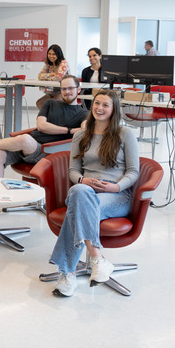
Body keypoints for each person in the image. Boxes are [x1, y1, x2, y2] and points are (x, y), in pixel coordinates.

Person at [0, 75, 88, 218]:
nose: (67, 92)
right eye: (64, 88)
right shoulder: (50, 103)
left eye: (70, 88)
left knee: (25, 139)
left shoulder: (84, 113)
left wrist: (66, 130)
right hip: (28, 146)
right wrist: (68, 130)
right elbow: (41, 126)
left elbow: (84, 130)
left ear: (78, 89)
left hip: (47, 151)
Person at [49, 90, 139, 297]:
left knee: (77, 207)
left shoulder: (125, 134)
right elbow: (73, 171)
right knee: (79, 192)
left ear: (114, 109)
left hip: (116, 195)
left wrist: (115, 187)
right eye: (96, 103)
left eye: (105, 105)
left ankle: (67, 273)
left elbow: (134, 171)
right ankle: (97, 259)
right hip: (85, 190)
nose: (99, 108)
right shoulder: (81, 135)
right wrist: (82, 180)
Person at [36, 44, 70, 109]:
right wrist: (50, 74)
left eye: (54, 54)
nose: (51, 56)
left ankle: (51, 118)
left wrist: (46, 77)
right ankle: (46, 119)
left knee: (51, 103)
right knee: (39, 103)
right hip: (53, 91)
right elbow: (40, 76)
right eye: (49, 54)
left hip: (64, 91)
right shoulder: (48, 64)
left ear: (58, 54)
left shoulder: (63, 63)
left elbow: (58, 78)